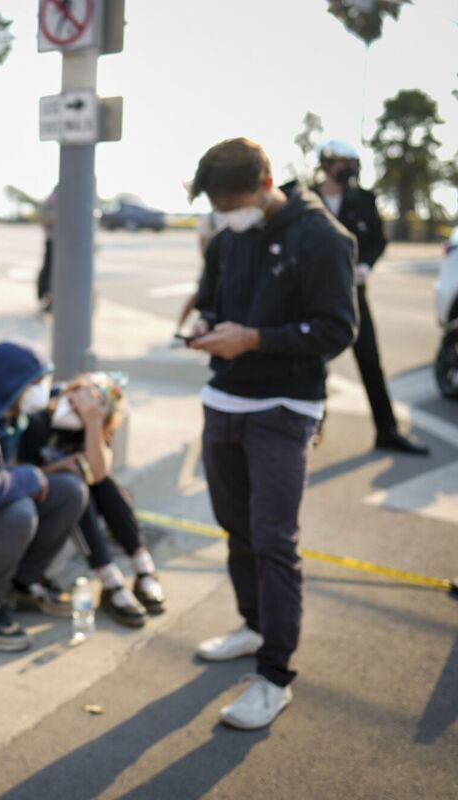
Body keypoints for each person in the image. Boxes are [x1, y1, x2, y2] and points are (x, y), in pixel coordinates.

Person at [186, 137, 357, 730]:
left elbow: (338, 329)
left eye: (231, 204)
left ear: (265, 186)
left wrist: (255, 339)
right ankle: (254, 623)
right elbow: (211, 298)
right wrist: (207, 325)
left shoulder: (324, 238)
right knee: (236, 529)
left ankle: (275, 675)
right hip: (223, 398)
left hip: (284, 406)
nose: (226, 217)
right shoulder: (230, 235)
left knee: (274, 539)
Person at [0, 342, 89, 652]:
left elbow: (13, 471)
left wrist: (47, 471)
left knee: (71, 490)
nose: (39, 391)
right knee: (20, 512)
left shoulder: (14, 414)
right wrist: (32, 477)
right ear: (11, 383)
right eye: (33, 383)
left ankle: (25, 582)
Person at [20, 373, 167, 628]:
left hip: (77, 489)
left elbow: (98, 472)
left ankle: (143, 566)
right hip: (44, 497)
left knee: (104, 483)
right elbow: (20, 473)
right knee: (78, 487)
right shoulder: (42, 419)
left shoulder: (95, 423)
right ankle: (110, 578)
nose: (80, 408)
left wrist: (93, 424)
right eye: (79, 400)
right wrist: (61, 467)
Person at [312, 138, 428, 455]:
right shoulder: (306, 197)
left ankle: (386, 430)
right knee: (314, 359)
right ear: (326, 164)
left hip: (351, 293)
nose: (347, 171)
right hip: (312, 296)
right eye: (341, 165)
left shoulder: (362, 199)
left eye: (351, 166)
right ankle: (313, 425)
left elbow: (377, 240)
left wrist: (365, 265)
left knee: (369, 360)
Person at [36, 186, 59, 311]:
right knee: (49, 269)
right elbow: (42, 217)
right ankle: (45, 297)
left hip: (61, 242)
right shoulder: (52, 200)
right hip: (53, 240)